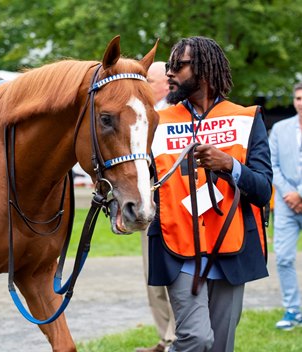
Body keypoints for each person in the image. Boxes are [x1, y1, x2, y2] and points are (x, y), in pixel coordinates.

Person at [148, 36, 272, 352]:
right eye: (168, 66)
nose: (169, 74)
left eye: (178, 66)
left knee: (220, 346)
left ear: (202, 70)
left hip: (232, 246)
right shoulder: (158, 122)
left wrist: (229, 164)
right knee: (195, 339)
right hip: (178, 247)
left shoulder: (245, 118)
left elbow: (262, 190)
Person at [136, 61, 176, 352]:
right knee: (152, 277)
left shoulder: (175, 115)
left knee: (177, 275)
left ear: (167, 84)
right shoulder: (139, 113)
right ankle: (166, 338)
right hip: (147, 203)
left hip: (175, 205)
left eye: (149, 80)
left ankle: (179, 337)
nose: (144, 85)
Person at [269, 82, 302, 330]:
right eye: (298, 98)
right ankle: (292, 310)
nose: (301, 102)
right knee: (283, 257)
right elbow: (271, 164)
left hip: (295, 197)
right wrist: (290, 193)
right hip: (285, 204)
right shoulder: (280, 129)